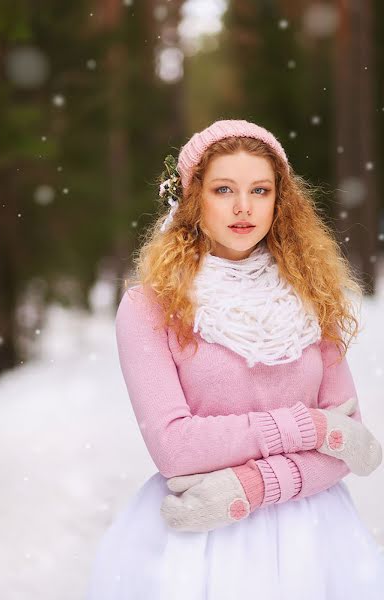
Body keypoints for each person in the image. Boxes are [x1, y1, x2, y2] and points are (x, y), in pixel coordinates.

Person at [86, 119, 384, 599]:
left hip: (316, 540)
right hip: (200, 544)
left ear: (279, 201)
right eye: (224, 189)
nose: (243, 207)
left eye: (260, 190)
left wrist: (252, 486)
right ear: (192, 198)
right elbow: (175, 448)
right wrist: (308, 427)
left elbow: (348, 443)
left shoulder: (313, 296)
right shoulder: (150, 306)